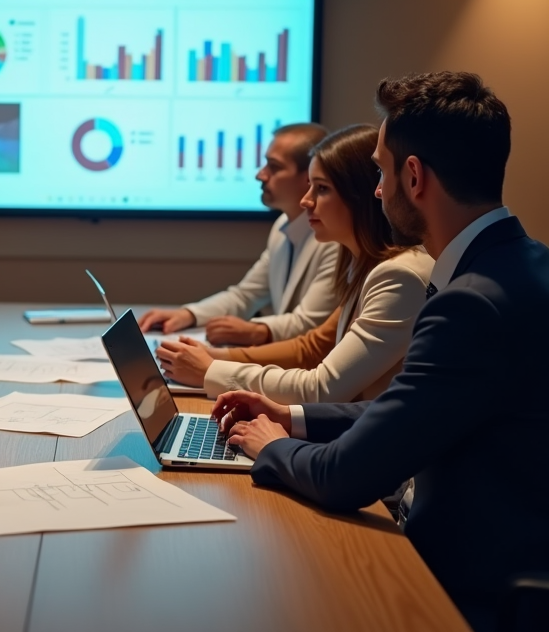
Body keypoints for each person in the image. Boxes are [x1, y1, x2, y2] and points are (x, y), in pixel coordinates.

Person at [211, 72, 549, 631]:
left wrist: (271, 446)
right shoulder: (520, 266)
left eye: (382, 171)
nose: (377, 189)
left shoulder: (471, 303)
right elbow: (416, 409)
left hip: (464, 590)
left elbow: (347, 476)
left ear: (413, 176)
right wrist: (292, 418)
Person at [158, 125, 433, 403]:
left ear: (359, 195)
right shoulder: (362, 264)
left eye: (322, 188)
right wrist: (211, 358)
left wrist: (211, 369)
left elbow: (322, 387)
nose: (306, 200)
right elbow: (314, 346)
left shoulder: (398, 275)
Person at [139, 123, 339, 346]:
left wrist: (256, 330)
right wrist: (188, 314)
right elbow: (246, 295)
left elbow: (310, 323)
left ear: (309, 176)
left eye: (274, 167)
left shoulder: (333, 238)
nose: (260, 175)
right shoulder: (283, 225)